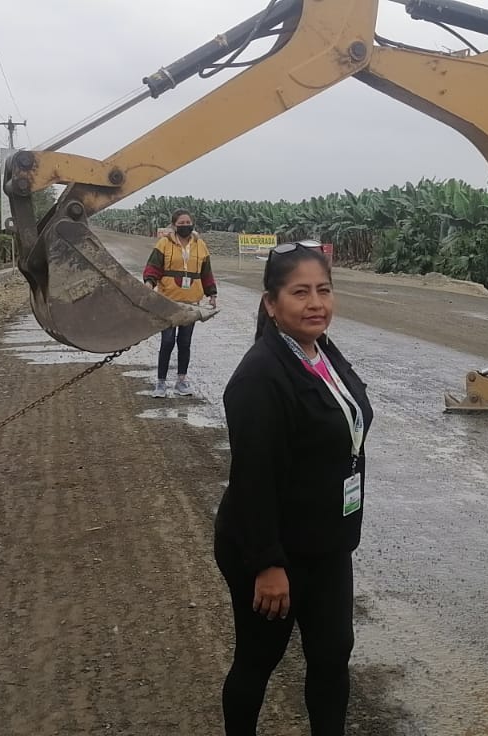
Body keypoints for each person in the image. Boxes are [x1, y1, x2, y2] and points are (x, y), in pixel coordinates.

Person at [214, 240, 374, 736]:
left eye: (323, 290)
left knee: (332, 655)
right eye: (300, 292)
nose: (316, 303)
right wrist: (267, 564)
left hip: (326, 544)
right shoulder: (260, 377)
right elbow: (253, 479)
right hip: (272, 549)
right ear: (271, 303)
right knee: (258, 659)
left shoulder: (321, 351)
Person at [142, 209, 218, 397]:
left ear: (192, 224)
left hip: (191, 303)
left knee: (185, 342)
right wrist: (149, 283)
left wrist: (212, 293)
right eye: (181, 223)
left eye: (188, 223)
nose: (185, 226)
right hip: (168, 301)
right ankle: (161, 383)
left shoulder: (200, 245)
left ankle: (181, 381)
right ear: (174, 225)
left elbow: (206, 272)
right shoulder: (164, 243)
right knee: (167, 341)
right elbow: (153, 267)